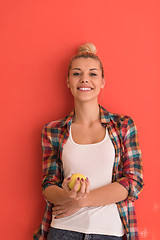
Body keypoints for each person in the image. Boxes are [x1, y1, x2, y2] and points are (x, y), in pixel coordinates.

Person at [33, 43, 144, 240]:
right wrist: (67, 194)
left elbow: (133, 182)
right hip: (63, 231)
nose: (84, 78)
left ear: (103, 81)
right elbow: (48, 184)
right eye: (77, 73)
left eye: (93, 74)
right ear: (68, 81)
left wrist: (81, 201)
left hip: (109, 232)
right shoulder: (53, 131)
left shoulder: (123, 126)